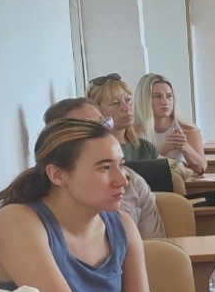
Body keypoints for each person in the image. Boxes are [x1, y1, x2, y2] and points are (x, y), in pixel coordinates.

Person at [0, 118, 197, 292]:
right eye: (105, 167)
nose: (122, 180)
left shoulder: (123, 224)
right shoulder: (15, 221)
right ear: (57, 175)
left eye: (121, 165)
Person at [42, 97, 165, 239]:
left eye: (104, 124)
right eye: (90, 130)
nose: (123, 181)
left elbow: (157, 247)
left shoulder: (134, 182)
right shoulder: (35, 218)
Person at [135, 73, 207, 174]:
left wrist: (185, 147)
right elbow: (137, 168)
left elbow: (201, 168)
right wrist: (166, 147)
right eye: (157, 96)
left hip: (181, 182)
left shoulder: (187, 129)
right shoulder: (133, 131)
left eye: (169, 96)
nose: (165, 102)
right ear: (144, 99)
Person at [87, 73, 158, 162]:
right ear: (96, 109)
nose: (126, 108)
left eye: (128, 100)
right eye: (115, 103)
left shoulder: (147, 148)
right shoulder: (91, 150)